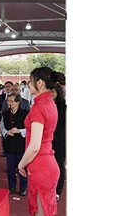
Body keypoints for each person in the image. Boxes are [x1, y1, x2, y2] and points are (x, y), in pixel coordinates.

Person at [18, 67, 59, 216]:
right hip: (47, 162)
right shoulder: (50, 104)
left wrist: (21, 164)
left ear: (40, 83)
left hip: (41, 166)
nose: (28, 85)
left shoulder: (39, 108)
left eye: (30, 81)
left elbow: (34, 146)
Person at [0, 93, 29, 196]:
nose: (9, 103)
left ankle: (23, 187)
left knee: (22, 167)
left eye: (12, 101)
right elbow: (2, 126)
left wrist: (19, 131)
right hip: (9, 144)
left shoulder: (25, 114)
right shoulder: (5, 113)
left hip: (21, 144)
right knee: (10, 168)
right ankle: (11, 186)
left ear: (18, 103)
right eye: (8, 101)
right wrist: (6, 132)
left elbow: (29, 129)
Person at [51, 72, 66, 202]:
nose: (51, 95)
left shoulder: (63, 107)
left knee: (59, 165)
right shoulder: (45, 105)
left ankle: (58, 191)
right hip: (47, 141)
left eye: (53, 93)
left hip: (59, 140)